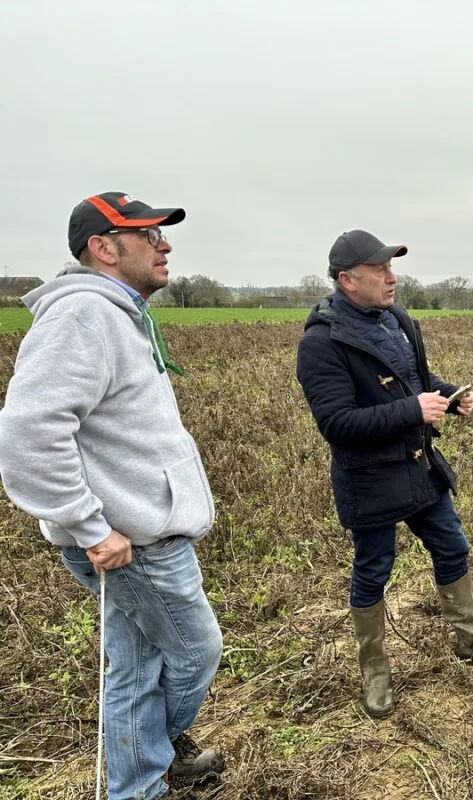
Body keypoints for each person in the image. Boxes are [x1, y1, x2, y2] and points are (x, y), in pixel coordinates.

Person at [0, 192, 225, 800]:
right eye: (148, 235)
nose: (165, 244)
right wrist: (91, 527)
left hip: (138, 531)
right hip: (131, 541)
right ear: (103, 248)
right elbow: (27, 434)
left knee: (136, 666)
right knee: (197, 651)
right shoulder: (84, 315)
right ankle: (151, 761)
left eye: (162, 235)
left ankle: (136, 786)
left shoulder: (118, 313)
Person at [296, 229, 473, 719]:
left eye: (390, 268)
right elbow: (336, 424)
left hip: (419, 467)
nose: (391, 278)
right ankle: (374, 670)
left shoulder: (397, 320)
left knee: (453, 546)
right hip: (369, 479)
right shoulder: (322, 343)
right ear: (347, 281)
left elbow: (417, 382)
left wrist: (449, 394)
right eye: (380, 271)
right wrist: (412, 410)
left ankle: (471, 640)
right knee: (373, 569)